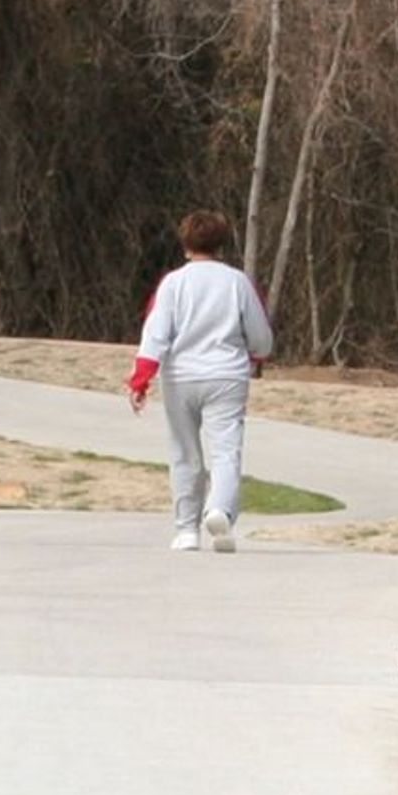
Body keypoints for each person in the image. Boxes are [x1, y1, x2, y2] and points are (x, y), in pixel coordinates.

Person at [127, 210, 277, 552]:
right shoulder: (238, 282)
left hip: (181, 378)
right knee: (226, 450)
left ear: (185, 245)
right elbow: (260, 336)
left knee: (184, 452)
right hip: (226, 375)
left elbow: (156, 334)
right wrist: (256, 353)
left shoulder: (173, 284)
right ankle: (220, 509)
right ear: (222, 244)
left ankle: (186, 530)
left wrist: (141, 379)